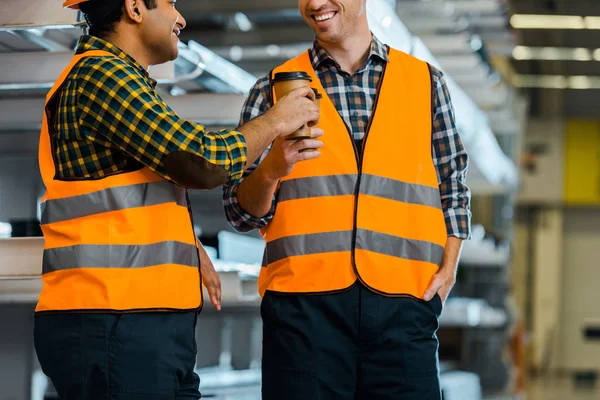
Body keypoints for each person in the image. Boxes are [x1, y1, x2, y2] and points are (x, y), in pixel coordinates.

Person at [33, 0, 318, 399]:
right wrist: (275, 121)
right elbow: (200, 161)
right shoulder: (101, 77)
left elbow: (129, 194)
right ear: (134, 8)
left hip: (134, 324)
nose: (181, 18)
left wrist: (188, 246)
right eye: (170, 3)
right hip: (112, 321)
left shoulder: (120, 79)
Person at [223, 0, 472, 398]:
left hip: (404, 307)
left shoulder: (425, 82)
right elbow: (239, 212)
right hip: (303, 310)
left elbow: (452, 181)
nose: (315, 4)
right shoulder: (272, 89)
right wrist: (271, 168)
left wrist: (450, 265)